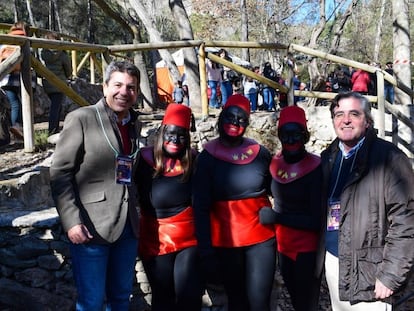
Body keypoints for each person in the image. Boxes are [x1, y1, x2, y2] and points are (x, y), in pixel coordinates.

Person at [50, 60, 142, 310]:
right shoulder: (81, 118)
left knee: (121, 297)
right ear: (105, 87)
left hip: (127, 228)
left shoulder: (134, 122)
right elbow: (60, 173)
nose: (124, 92)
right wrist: (71, 221)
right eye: (118, 85)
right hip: (91, 226)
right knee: (91, 301)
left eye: (131, 87)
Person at [316, 91, 414, 310]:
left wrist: (391, 275)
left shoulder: (389, 159)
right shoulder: (329, 157)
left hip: (371, 272)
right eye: (339, 114)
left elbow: (406, 222)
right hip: (334, 263)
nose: (346, 120)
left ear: (367, 121)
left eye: (354, 114)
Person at [193, 94, 276, 311]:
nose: (235, 123)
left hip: (262, 239)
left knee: (260, 302)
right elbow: (200, 207)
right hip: (225, 241)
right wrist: (205, 250)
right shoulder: (207, 157)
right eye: (230, 117)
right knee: (237, 302)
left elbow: (277, 189)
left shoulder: (260, 153)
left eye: (242, 120)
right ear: (220, 118)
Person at [134, 103, 202, 311]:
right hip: (155, 238)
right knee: (163, 298)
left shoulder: (194, 160)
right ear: (162, 132)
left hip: (189, 238)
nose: (175, 140)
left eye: (182, 135)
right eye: (171, 134)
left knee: (189, 296)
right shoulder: (142, 160)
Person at [259, 105, 322, 311]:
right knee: (295, 299)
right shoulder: (274, 164)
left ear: (305, 136)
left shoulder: (316, 168)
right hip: (283, 247)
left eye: (297, 134)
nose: (291, 140)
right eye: (286, 134)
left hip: (307, 249)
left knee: (306, 303)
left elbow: (316, 220)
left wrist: (277, 218)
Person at [0, 21, 30, 139]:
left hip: (5, 78)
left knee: (13, 104)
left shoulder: (6, 41)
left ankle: (15, 129)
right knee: (23, 104)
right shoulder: (25, 40)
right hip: (22, 78)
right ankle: (19, 128)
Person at [40, 32, 72, 135]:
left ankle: (54, 129)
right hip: (59, 83)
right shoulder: (62, 54)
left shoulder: (43, 53)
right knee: (56, 107)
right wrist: (67, 76)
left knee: (55, 106)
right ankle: (53, 130)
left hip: (46, 83)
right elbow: (68, 70)